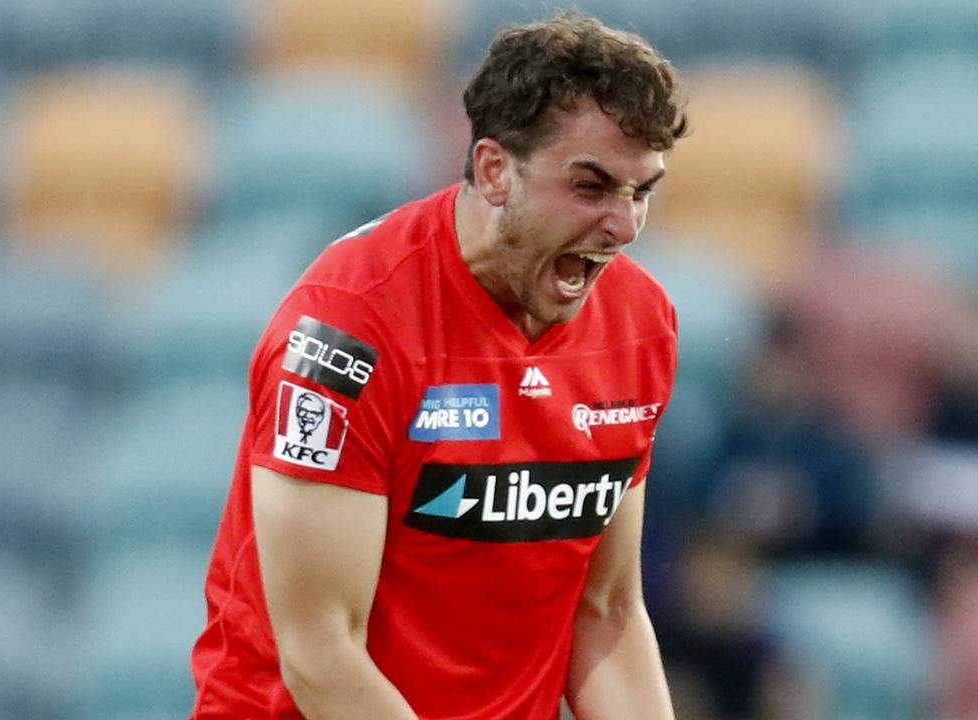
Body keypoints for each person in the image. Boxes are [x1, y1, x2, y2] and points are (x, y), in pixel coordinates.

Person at [189, 11, 688, 719]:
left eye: (642, 191)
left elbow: (604, 611)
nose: (626, 226)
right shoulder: (348, 332)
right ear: (493, 170)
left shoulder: (640, 325)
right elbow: (321, 656)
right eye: (591, 186)